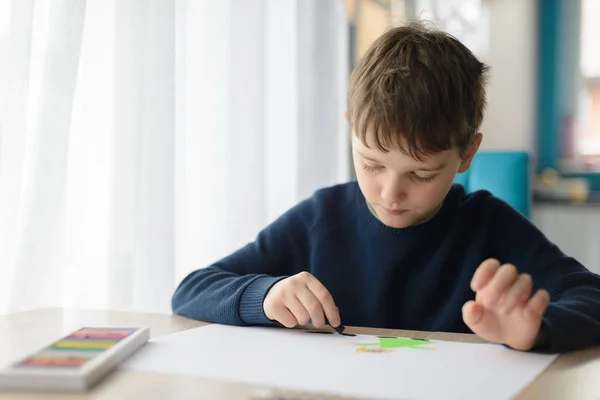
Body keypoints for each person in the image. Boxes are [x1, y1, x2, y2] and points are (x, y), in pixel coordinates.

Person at [171, 22, 600, 353]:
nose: (390, 193)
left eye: (422, 174)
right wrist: (264, 296)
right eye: (372, 164)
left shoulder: (489, 226)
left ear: (467, 154)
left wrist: (538, 330)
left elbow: (591, 295)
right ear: (351, 130)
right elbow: (191, 290)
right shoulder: (321, 217)